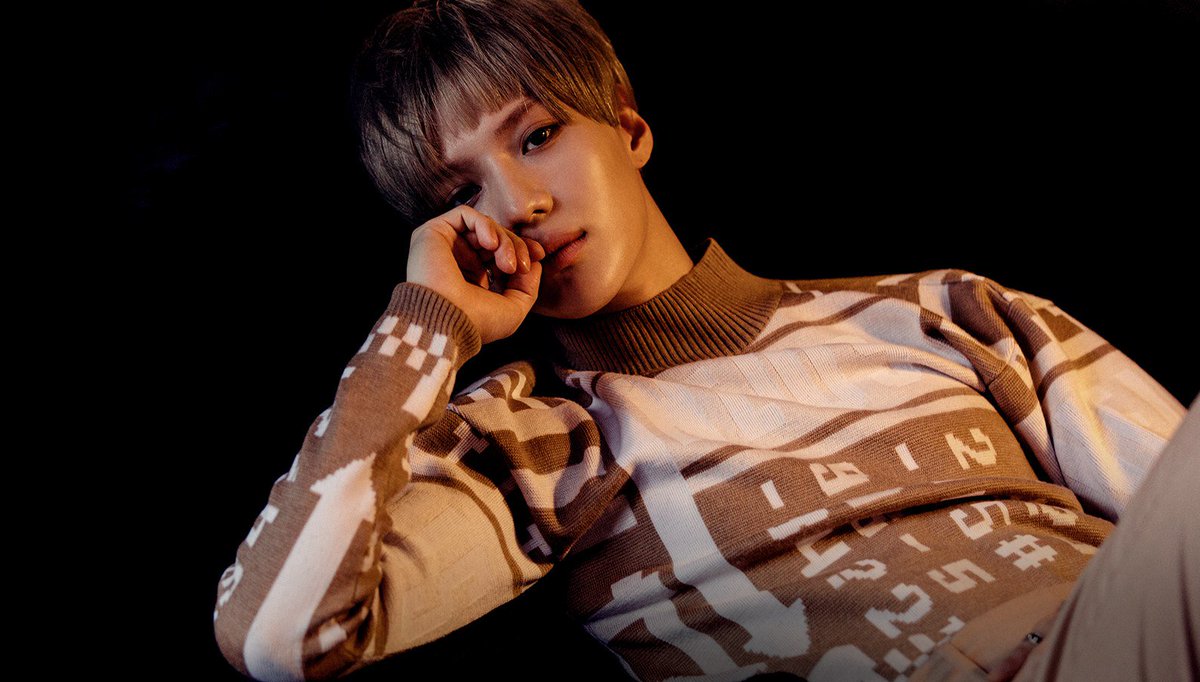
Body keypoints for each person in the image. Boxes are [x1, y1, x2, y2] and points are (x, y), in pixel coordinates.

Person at [212, 1, 1194, 680]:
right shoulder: (541, 444)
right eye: (460, 192)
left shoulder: (945, 310)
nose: (521, 203)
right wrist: (425, 325)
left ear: (629, 127)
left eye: (537, 135)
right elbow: (281, 635)